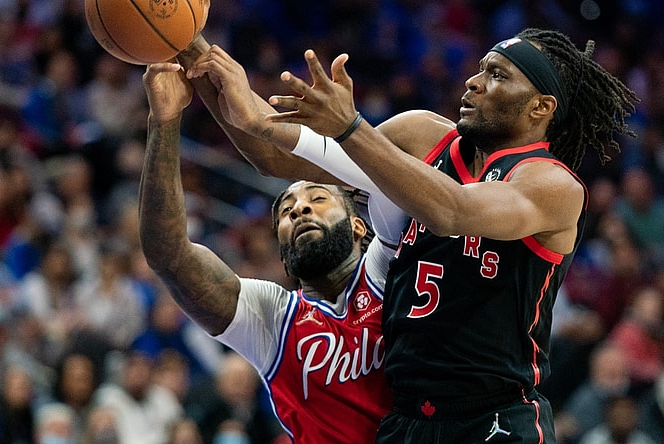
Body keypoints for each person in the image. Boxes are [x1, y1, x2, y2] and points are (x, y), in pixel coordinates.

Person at [258, 27, 638, 442]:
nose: (473, 82)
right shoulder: (421, 135)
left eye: (497, 75)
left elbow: (451, 210)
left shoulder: (552, 185)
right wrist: (193, 56)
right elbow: (275, 155)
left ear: (540, 107)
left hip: (492, 418)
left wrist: (351, 127)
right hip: (407, 418)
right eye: (480, 70)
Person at [140, 55, 404, 442]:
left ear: (360, 225)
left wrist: (193, 45)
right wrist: (163, 123)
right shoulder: (272, 317)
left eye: (317, 197)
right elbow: (170, 256)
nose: (299, 208)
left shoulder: (392, 263)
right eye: (286, 210)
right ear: (280, 250)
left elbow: (388, 175)